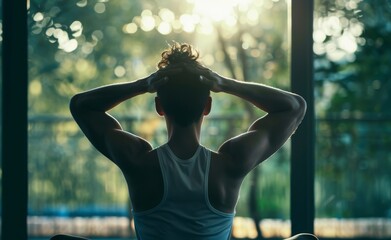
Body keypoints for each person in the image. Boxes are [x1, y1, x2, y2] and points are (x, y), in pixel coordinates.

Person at [51, 42, 309, 240]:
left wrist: (143, 84)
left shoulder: (137, 159)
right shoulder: (231, 163)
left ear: (159, 107)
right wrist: (225, 83)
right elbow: (294, 106)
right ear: (207, 106)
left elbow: (81, 105)